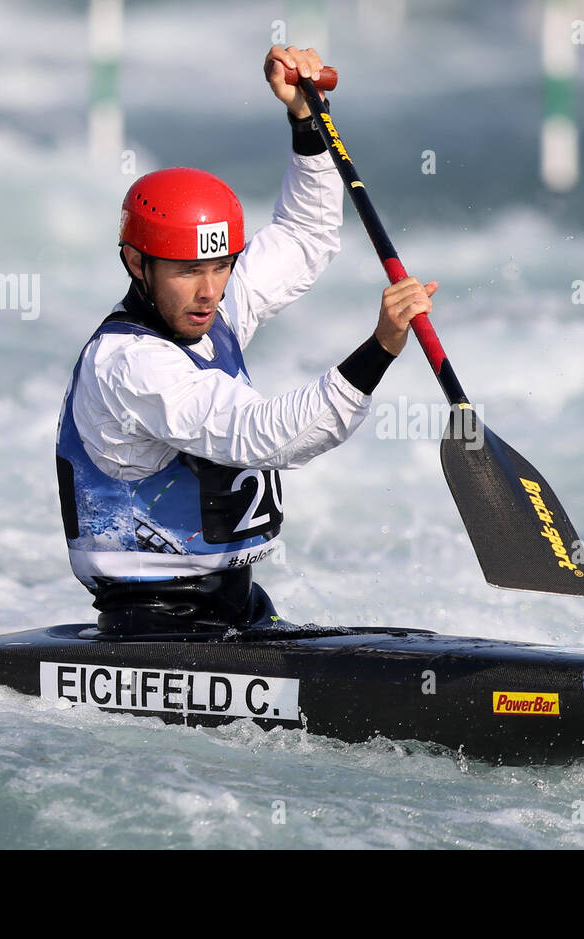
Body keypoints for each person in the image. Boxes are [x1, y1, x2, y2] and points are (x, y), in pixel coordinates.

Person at [55, 45, 437, 636]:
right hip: (152, 628)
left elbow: (304, 236)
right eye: (186, 271)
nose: (209, 291)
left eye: (222, 266)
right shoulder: (128, 364)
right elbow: (259, 435)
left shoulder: (210, 306)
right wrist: (381, 346)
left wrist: (307, 122)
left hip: (236, 608)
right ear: (136, 263)